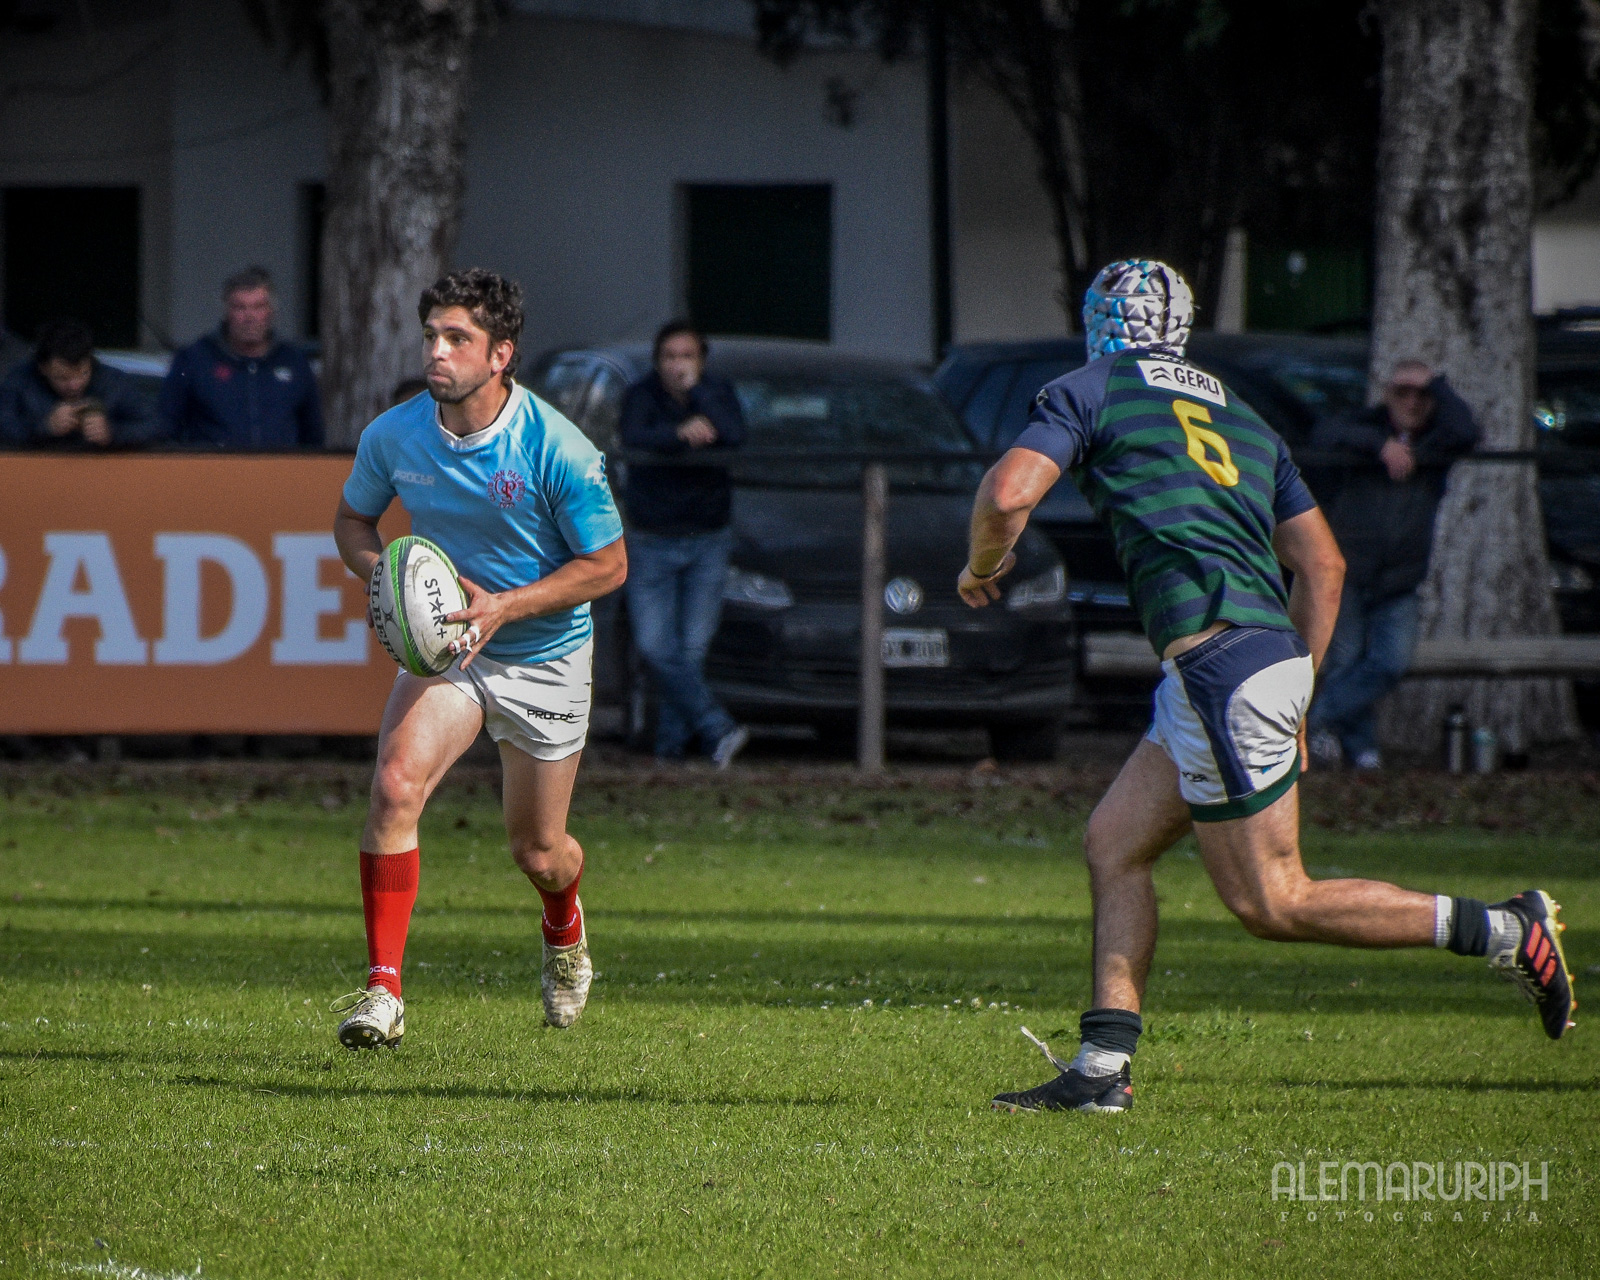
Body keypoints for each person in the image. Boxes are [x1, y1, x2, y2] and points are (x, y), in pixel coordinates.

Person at [959, 259, 1574, 1115]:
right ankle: (1102, 1069)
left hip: (1219, 667)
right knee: (1114, 843)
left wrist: (982, 564)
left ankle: (1506, 930)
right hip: (1248, 661)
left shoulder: (1090, 387)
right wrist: (1299, 699)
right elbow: (1322, 566)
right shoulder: (1239, 414)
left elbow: (1008, 490)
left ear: (1101, 321)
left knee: (1274, 901)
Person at [330, 268, 626, 1049]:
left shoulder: (556, 446)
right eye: (431, 334)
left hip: (545, 653)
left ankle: (564, 927)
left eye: (457, 337)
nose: (438, 351)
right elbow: (354, 522)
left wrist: (506, 604)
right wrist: (390, 576)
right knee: (394, 787)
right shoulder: (394, 435)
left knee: (539, 850)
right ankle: (382, 993)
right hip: (453, 650)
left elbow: (609, 566)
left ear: (501, 354)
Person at [1306, 360, 1480, 769]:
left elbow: (1468, 432)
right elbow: (1323, 433)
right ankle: (1364, 754)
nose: (1412, 401)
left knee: (1388, 664)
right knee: (1346, 662)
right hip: (1349, 571)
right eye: (1402, 391)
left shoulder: (1436, 444)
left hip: (1400, 579)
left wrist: (1439, 383)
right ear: (1387, 394)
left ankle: (1311, 720)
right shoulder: (1363, 428)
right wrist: (1379, 447)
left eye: (1423, 394)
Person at [618, 320, 750, 766]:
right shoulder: (640, 396)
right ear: (657, 362)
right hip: (652, 538)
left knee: (691, 649)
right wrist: (680, 435)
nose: (678, 366)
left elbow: (734, 433)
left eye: (687, 357)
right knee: (656, 646)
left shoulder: (717, 393)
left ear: (702, 361)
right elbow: (634, 437)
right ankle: (718, 728)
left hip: (707, 539)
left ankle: (669, 754)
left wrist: (700, 400)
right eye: (670, 357)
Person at [160, 266, 323, 448]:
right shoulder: (194, 360)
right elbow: (166, 428)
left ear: (271, 312)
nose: (249, 317)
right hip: (212, 474)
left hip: (279, 474)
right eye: (240, 308)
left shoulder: (294, 361)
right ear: (226, 312)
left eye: (258, 307)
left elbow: (313, 436)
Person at [0, 318, 163, 449]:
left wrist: (111, 432)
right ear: (43, 368)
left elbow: (155, 425)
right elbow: (4, 425)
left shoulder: (114, 383)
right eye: (63, 378)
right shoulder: (19, 382)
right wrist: (45, 427)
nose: (74, 385)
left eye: (83, 374)